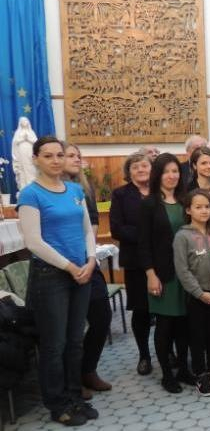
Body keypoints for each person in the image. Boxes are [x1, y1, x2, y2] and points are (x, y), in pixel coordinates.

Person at [19, 136, 98, 425]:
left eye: (59, 155)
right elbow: (33, 241)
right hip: (51, 276)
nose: (55, 160)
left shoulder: (74, 190)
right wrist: (69, 266)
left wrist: (91, 259)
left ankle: (75, 397)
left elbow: (87, 229)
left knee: (75, 341)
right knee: (55, 344)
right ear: (36, 159)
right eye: (48, 155)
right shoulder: (31, 194)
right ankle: (57, 403)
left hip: (82, 271)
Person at [139, 153, 195, 393]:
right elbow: (143, 244)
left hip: (187, 273)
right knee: (165, 326)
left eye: (175, 171)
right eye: (166, 172)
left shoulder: (185, 200)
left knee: (184, 324)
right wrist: (151, 274)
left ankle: (183, 369)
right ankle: (166, 374)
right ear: (157, 175)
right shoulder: (149, 204)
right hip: (163, 274)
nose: (172, 176)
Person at [63, 143, 112, 396]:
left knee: (102, 316)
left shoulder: (83, 187)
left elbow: (92, 221)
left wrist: (89, 253)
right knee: (70, 328)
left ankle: (88, 369)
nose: (76, 159)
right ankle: (72, 380)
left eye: (78, 156)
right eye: (70, 155)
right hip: (61, 265)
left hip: (87, 260)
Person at [173, 189, 210, 396]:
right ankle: (200, 374)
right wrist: (199, 293)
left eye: (207, 207)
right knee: (198, 337)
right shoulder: (182, 236)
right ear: (188, 210)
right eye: (198, 207)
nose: (204, 211)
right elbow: (182, 270)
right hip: (196, 297)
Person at [110, 152, 153, 375]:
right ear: (129, 172)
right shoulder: (120, 194)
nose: (141, 169)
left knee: (167, 311)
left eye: (144, 165)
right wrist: (146, 237)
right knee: (141, 309)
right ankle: (144, 355)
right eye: (135, 167)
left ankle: (168, 352)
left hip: (163, 259)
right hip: (136, 261)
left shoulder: (161, 191)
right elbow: (117, 229)